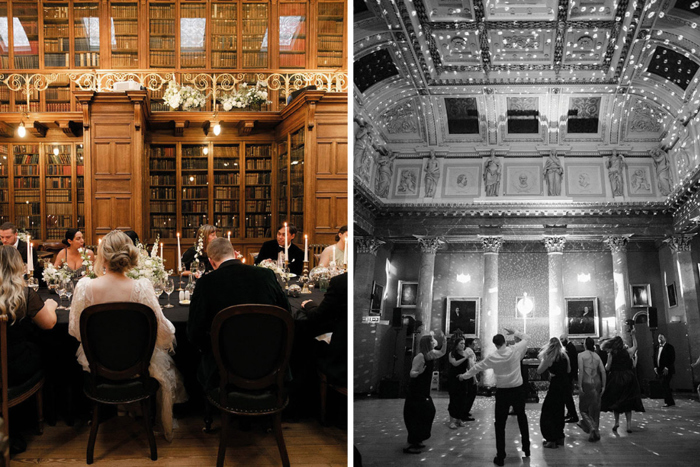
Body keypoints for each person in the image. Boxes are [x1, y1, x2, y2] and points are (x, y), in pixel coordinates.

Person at [69, 230, 186, 441]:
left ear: (102, 256)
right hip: (137, 365)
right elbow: (165, 333)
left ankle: (119, 409)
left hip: (98, 365)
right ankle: (134, 408)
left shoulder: (84, 287)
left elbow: (75, 332)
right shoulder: (141, 287)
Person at [188, 237, 290, 391]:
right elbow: (286, 313)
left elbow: (195, 332)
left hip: (223, 367)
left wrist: (213, 349)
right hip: (269, 360)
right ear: (235, 254)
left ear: (211, 261)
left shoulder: (206, 283)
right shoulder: (266, 275)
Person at [0, 246, 57, 454]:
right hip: (15, 368)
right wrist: (50, 304)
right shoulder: (24, 294)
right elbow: (49, 324)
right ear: (18, 267)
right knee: (46, 350)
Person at [459, 328, 530, 466]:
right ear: (504, 342)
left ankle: (501, 456)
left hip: (503, 393)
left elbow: (477, 367)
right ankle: (526, 449)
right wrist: (515, 332)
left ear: (495, 345)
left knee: (500, 424)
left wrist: (463, 376)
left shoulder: (493, 357)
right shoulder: (514, 349)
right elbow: (527, 338)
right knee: (522, 418)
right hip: (518, 391)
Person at [403, 331, 447, 454]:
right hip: (416, 391)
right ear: (428, 343)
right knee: (417, 415)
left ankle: (418, 439)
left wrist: (445, 341)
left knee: (427, 413)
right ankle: (411, 443)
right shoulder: (420, 357)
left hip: (423, 391)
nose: (434, 341)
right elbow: (412, 373)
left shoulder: (431, 354)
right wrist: (420, 372)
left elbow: (442, 352)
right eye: (433, 340)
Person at [601, 329, 645, 433]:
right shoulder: (627, 352)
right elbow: (635, 347)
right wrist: (633, 336)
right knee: (628, 402)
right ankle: (629, 425)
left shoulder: (611, 354)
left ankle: (616, 423)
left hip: (616, 378)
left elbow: (607, 368)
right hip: (628, 377)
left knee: (616, 401)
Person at [537, 337, 570, 449]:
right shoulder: (564, 356)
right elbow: (569, 370)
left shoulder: (550, 357)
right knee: (559, 411)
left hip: (555, 386)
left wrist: (551, 372)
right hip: (564, 385)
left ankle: (551, 439)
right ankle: (560, 437)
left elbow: (539, 370)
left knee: (548, 411)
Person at [578, 337, 606, 442]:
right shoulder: (597, 356)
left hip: (586, 383)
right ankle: (596, 433)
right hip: (597, 383)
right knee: (595, 409)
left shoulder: (581, 355)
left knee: (583, 409)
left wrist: (580, 385)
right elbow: (603, 371)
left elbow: (581, 370)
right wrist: (604, 385)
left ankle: (591, 428)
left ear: (585, 345)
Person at [447, 337, 470, 429]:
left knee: (462, 399)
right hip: (454, 378)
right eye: (461, 343)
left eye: (464, 343)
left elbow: (468, 367)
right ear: (456, 345)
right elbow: (455, 363)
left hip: (463, 378)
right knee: (454, 399)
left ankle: (459, 419)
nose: (463, 345)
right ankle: (452, 421)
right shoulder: (452, 353)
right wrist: (465, 358)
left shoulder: (465, 353)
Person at [560, 334, 579, 423]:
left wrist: (573, 376)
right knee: (567, 396)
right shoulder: (569, 346)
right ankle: (570, 413)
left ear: (566, 339)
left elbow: (573, 363)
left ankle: (572, 414)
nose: (561, 341)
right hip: (569, 375)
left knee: (568, 396)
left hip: (569, 375)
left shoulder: (570, 347)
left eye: (562, 339)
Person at [655, 333, 676, 407]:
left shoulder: (669, 347)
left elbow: (672, 358)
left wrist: (667, 367)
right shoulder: (657, 347)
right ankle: (670, 401)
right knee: (664, 385)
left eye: (661, 337)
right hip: (660, 369)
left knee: (665, 384)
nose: (660, 339)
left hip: (667, 369)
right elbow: (655, 357)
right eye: (659, 338)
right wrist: (655, 366)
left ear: (665, 338)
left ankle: (668, 401)